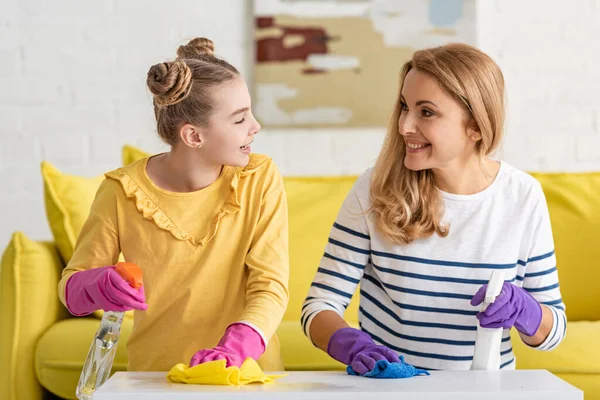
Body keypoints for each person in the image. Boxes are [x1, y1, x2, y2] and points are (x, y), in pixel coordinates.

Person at [301, 43, 566, 373]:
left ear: (476, 126)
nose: (404, 126)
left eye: (426, 112)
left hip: (483, 395)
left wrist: (527, 312)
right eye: (404, 107)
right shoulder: (374, 189)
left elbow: (553, 334)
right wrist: (350, 344)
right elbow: (319, 306)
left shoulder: (522, 197)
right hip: (389, 389)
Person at [58, 37, 289, 372]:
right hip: (156, 378)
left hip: (248, 373)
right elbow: (71, 289)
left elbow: (271, 285)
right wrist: (97, 284)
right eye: (239, 119)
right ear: (194, 136)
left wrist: (235, 349)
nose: (255, 127)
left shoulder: (259, 178)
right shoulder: (121, 192)